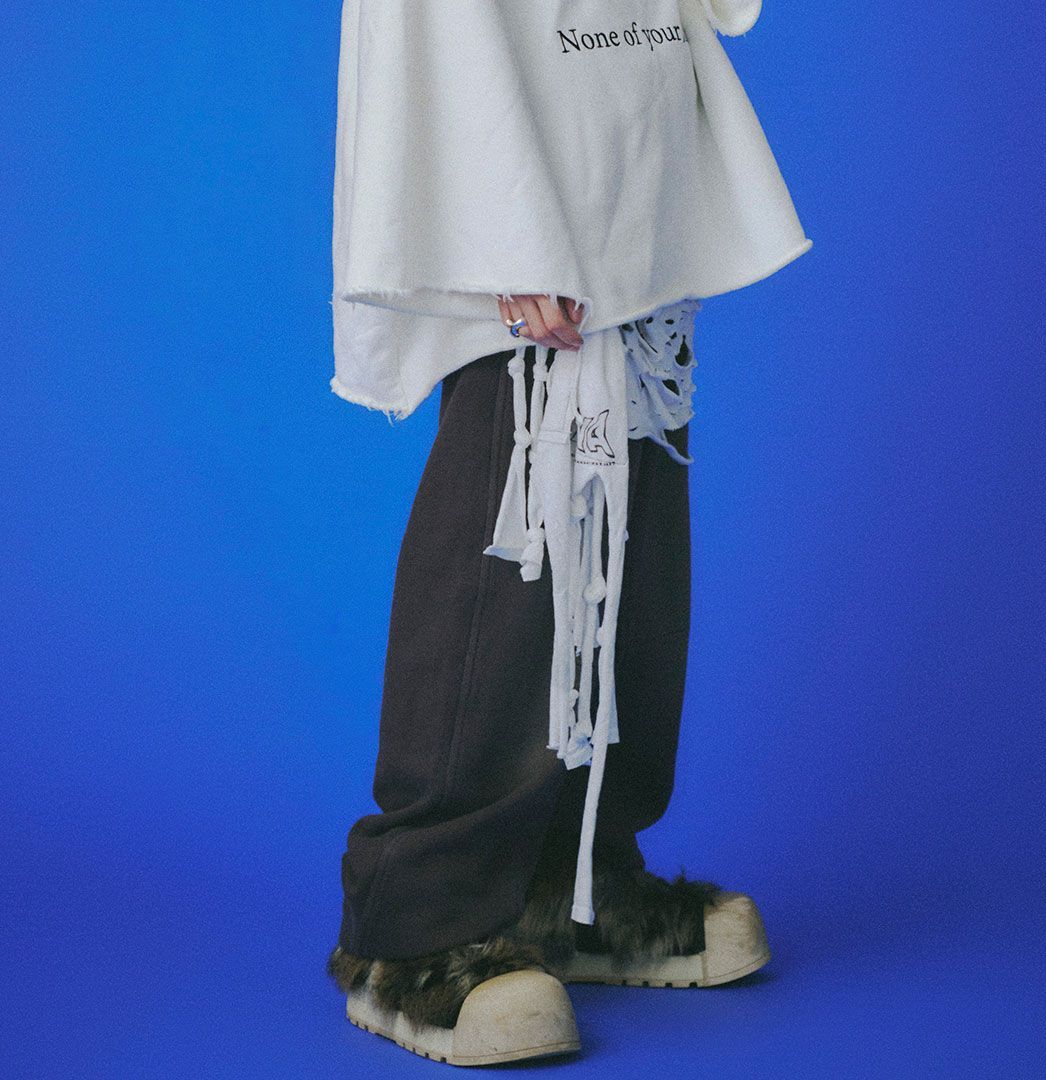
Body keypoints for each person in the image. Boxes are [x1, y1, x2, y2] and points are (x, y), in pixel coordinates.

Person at [324, 0, 812, 1065]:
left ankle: (573, 875)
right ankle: (420, 923)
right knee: (516, 536)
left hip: (625, 161)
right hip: (525, 191)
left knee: (637, 548)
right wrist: (497, 227)